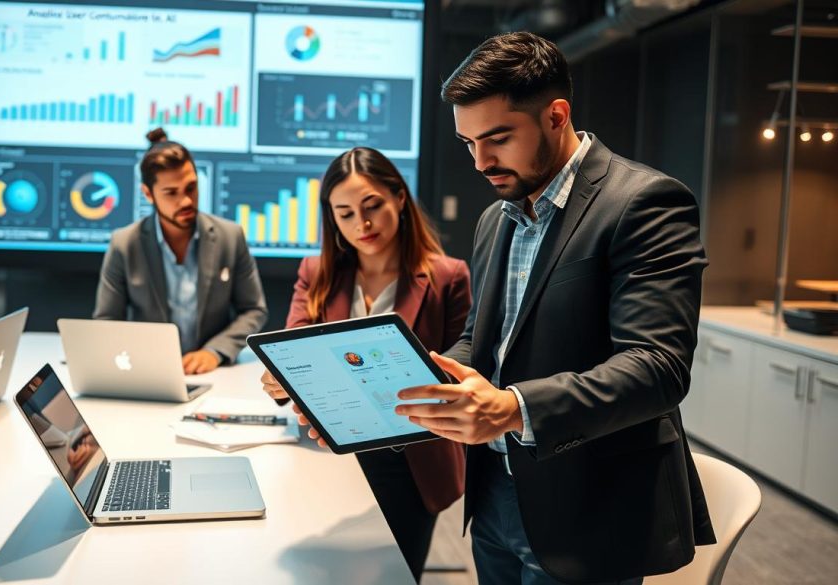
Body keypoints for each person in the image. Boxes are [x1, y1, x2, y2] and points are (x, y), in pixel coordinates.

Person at [394, 32, 716, 584]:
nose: (480, 162)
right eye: (467, 143)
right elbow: (483, 344)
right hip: (495, 494)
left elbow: (656, 368)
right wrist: (400, 385)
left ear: (556, 116)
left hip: (590, 507)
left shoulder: (644, 202)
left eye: (496, 138)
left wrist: (514, 407)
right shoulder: (496, 218)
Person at [261, 147, 471, 582]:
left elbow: (461, 368)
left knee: (395, 575)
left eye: (372, 205)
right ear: (332, 219)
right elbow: (292, 343)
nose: (363, 224)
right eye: (346, 213)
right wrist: (281, 378)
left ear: (398, 197)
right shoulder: (316, 271)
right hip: (329, 455)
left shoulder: (448, 276)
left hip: (411, 462)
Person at [94, 128, 268, 374]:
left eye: (191, 188)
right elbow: (107, 322)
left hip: (215, 374)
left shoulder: (230, 236)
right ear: (148, 194)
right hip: (147, 372)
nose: (186, 201)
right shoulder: (124, 244)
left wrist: (215, 351)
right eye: (171, 193)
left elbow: (254, 309)